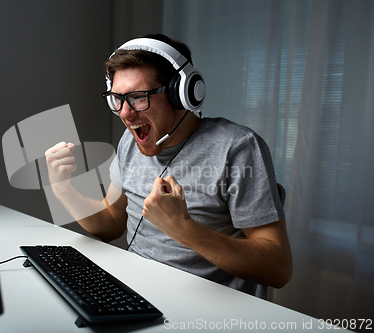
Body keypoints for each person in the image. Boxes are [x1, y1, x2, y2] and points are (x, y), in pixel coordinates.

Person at [45, 34, 292, 299]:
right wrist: (63, 189)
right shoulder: (131, 141)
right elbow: (112, 223)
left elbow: (278, 268)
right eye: (117, 98)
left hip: (204, 311)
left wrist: (184, 229)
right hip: (134, 297)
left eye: (138, 97)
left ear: (182, 93)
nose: (125, 113)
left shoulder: (237, 148)